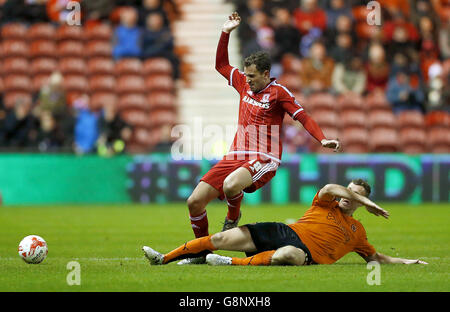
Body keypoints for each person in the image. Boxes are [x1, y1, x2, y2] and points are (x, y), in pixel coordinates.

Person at [182, 12, 340, 264]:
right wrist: (225, 33)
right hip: (235, 155)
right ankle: (203, 255)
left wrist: (321, 139)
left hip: (263, 156)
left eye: (252, 76)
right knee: (194, 201)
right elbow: (221, 66)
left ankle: (232, 218)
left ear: (266, 74)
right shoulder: (244, 84)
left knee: (232, 185)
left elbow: (303, 116)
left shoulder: (279, 93)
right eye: (246, 75)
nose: (247, 79)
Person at [143, 179, 428, 266]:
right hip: (284, 230)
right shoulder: (325, 201)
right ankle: (164, 258)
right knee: (220, 239)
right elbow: (330, 187)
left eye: (356, 195)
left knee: (288, 256)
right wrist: (365, 200)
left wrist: (408, 262)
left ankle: (224, 263)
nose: (349, 195)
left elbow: (374, 257)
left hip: (304, 252)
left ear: (359, 203)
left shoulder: (357, 231)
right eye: (349, 190)